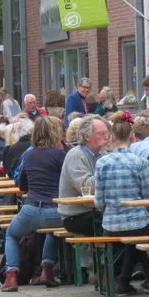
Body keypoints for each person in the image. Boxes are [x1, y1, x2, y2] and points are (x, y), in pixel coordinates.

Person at [95, 112, 149, 295]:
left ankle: (124, 279)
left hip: (111, 223)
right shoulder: (139, 163)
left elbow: (99, 201)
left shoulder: (101, 163)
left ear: (112, 137)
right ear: (132, 136)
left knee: (128, 238)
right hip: (138, 222)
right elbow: (147, 198)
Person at [1, 117, 67, 292]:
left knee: (12, 235)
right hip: (55, 210)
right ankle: (47, 269)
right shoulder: (60, 154)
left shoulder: (28, 154)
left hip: (30, 209)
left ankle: (11, 275)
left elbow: (22, 185)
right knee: (54, 232)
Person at [57, 115, 110, 282]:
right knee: (112, 225)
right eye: (101, 133)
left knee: (127, 222)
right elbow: (86, 185)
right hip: (76, 214)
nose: (107, 137)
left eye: (107, 133)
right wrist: (113, 170)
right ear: (87, 136)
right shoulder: (75, 155)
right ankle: (104, 271)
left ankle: (117, 271)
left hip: (95, 210)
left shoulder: (101, 155)